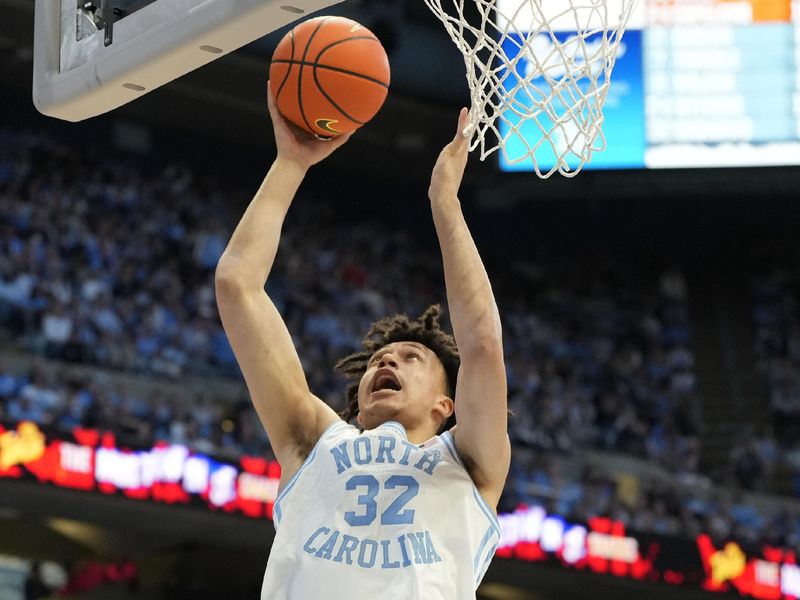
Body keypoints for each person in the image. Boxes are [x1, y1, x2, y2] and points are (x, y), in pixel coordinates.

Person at [215, 82, 510, 599]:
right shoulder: (314, 442)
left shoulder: (469, 462)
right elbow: (236, 285)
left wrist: (444, 202)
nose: (386, 360)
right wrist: (291, 163)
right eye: (378, 358)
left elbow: (482, 343)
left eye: (410, 357)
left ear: (448, 403)